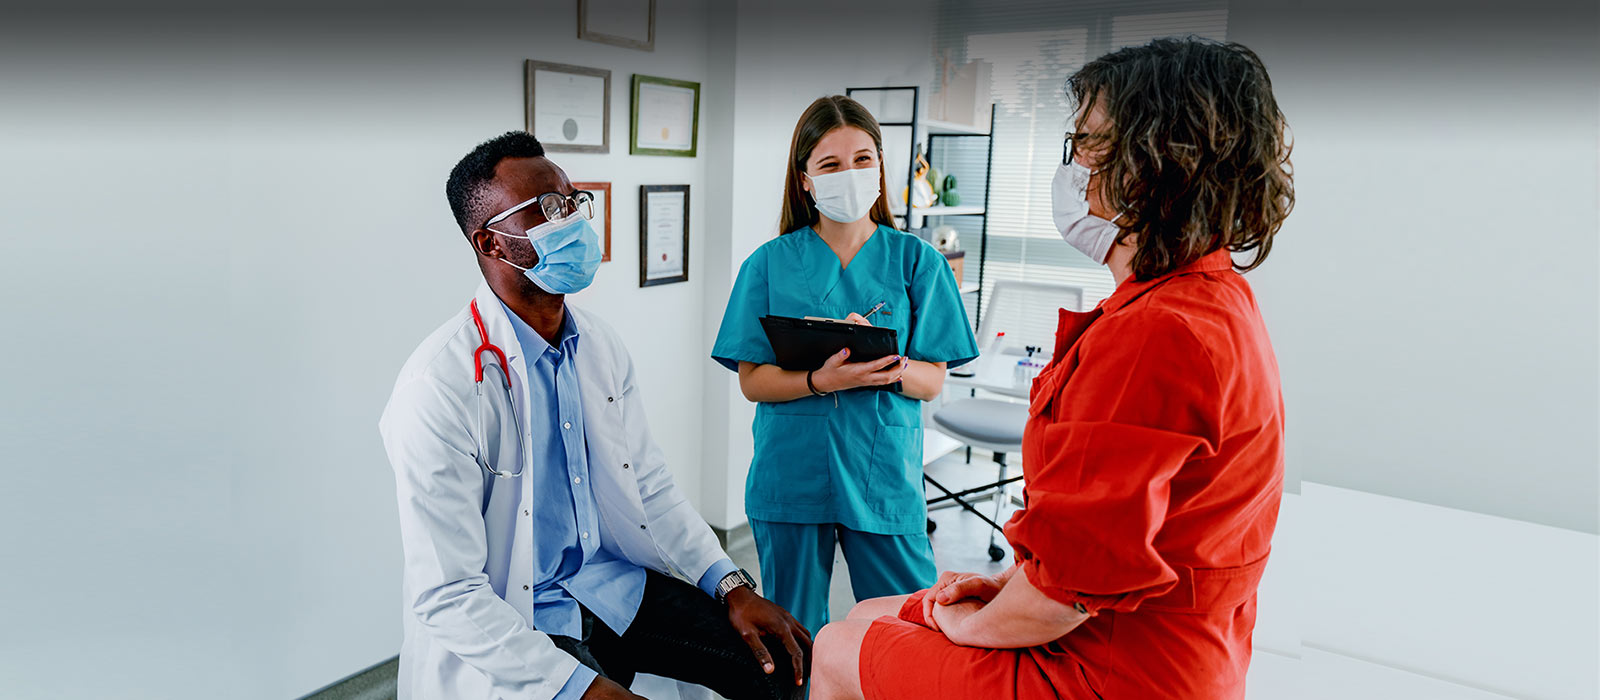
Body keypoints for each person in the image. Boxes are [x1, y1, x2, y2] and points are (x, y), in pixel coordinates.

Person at [809, 37, 1294, 700]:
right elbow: (1107, 548)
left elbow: (1068, 595)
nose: (1075, 166)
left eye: (1090, 143)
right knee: (869, 612)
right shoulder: (1209, 298)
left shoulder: (1155, 332)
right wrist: (1006, 586)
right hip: (1177, 647)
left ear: (1158, 160)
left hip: (1118, 671)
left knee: (838, 646)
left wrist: (956, 620)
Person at [380, 131, 811, 700]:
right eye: (549, 209)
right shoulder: (438, 386)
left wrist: (731, 585)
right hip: (521, 616)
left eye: (574, 200)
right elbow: (450, 593)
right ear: (492, 242)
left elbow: (651, 488)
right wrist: (583, 689)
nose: (575, 220)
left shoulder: (600, 347)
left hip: (610, 586)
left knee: (779, 666)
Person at [711, 96, 980, 636]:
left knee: (908, 630)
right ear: (805, 180)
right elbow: (752, 381)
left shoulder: (917, 261)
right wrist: (821, 379)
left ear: (881, 166)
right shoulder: (767, 264)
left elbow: (931, 381)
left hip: (881, 475)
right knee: (796, 634)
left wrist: (881, 365)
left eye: (862, 159)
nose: (850, 175)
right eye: (830, 165)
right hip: (792, 476)